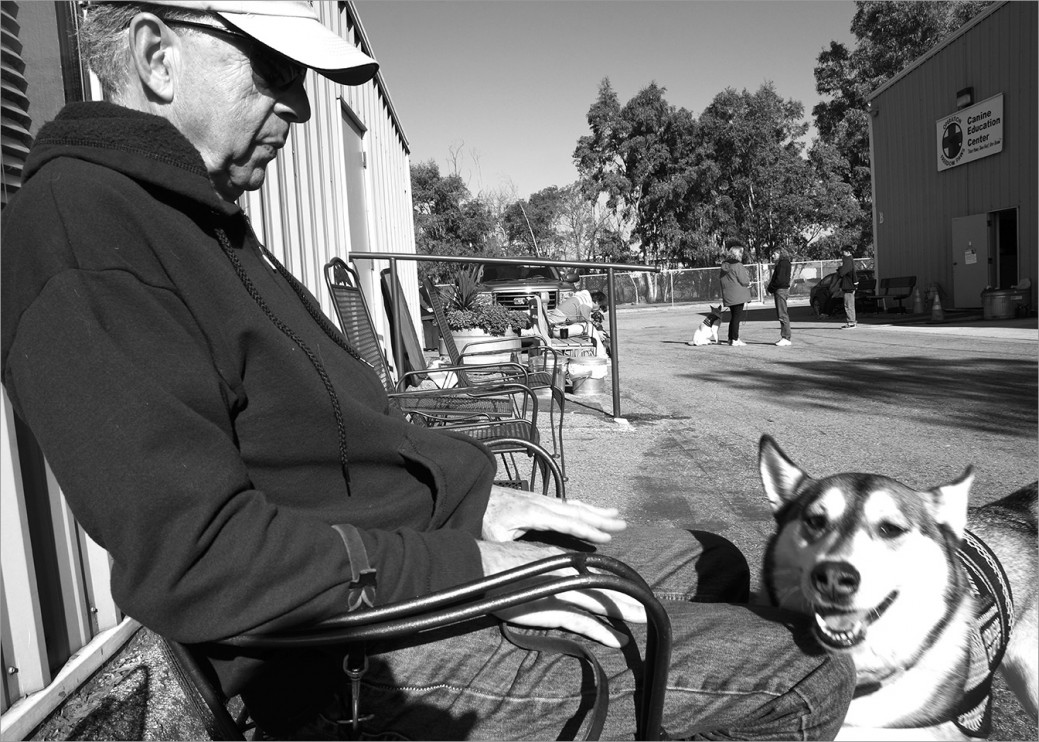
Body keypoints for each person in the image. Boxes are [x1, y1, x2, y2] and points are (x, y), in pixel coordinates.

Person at [0, 3, 854, 739]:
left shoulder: (201, 220)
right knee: (802, 672)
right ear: (157, 57)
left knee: (707, 561)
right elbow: (201, 562)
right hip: (344, 664)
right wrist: (473, 568)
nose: (297, 106)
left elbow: (332, 454)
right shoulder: (86, 239)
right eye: (272, 71)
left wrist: (474, 500)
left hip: (407, 571)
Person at [545, 288, 610, 356]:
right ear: (596, 302)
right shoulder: (586, 304)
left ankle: (595, 353)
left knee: (587, 328)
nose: (597, 310)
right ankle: (601, 355)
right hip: (558, 330)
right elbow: (587, 324)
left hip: (556, 328)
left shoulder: (581, 298)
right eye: (599, 307)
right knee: (590, 328)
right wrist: (598, 333)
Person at [719, 238, 752, 346]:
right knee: (736, 318)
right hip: (738, 295)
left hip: (729, 295)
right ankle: (735, 339)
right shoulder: (738, 265)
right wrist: (748, 283)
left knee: (733, 317)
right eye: (741, 253)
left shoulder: (724, 265)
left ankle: (730, 338)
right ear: (738, 254)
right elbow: (744, 280)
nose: (742, 255)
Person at [766, 247, 793, 346]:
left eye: (775, 253)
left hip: (781, 290)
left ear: (780, 253)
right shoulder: (784, 263)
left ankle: (786, 337)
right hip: (782, 290)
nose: (773, 256)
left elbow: (779, 279)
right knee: (782, 313)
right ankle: (785, 336)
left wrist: (770, 288)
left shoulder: (782, 264)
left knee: (782, 314)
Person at [837, 247, 858, 328]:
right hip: (850, 286)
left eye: (844, 252)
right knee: (850, 304)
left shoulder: (847, 260)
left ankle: (851, 322)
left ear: (848, 252)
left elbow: (842, 272)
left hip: (848, 286)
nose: (842, 253)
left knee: (848, 305)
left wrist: (840, 270)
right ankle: (852, 321)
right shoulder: (850, 260)